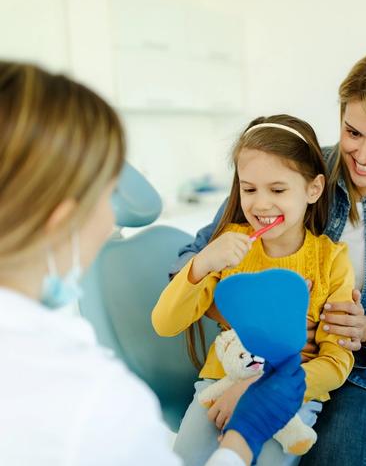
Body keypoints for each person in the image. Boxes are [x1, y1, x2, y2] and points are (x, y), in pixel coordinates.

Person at [0, 61, 306, 466]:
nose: (112, 218)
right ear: (61, 221)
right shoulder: (95, 403)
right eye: (107, 197)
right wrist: (241, 440)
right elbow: (167, 319)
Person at [171, 51, 366, 466]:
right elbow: (192, 262)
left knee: (336, 456)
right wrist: (249, 314)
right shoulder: (291, 171)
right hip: (252, 359)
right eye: (353, 132)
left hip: (353, 371)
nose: (364, 154)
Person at [152, 115, 356, 466]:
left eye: (277, 190)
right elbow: (165, 323)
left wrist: (260, 391)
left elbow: (336, 362)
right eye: (249, 189)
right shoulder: (227, 246)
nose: (260, 204)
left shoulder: (331, 261)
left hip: (294, 397)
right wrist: (202, 262)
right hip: (217, 387)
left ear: (314, 189)